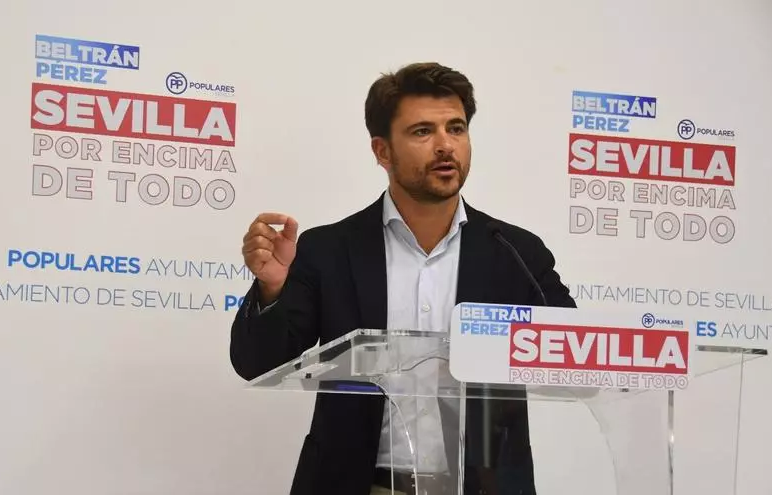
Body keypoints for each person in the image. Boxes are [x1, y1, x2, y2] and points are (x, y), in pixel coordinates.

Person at [230, 62, 576, 495]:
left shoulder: (514, 252)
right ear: (382, 151)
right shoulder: (329, 250)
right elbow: (256, 363)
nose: (445, 145)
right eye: (422, 132)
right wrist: (272, 289)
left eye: (456, 128)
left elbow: (574, 361)